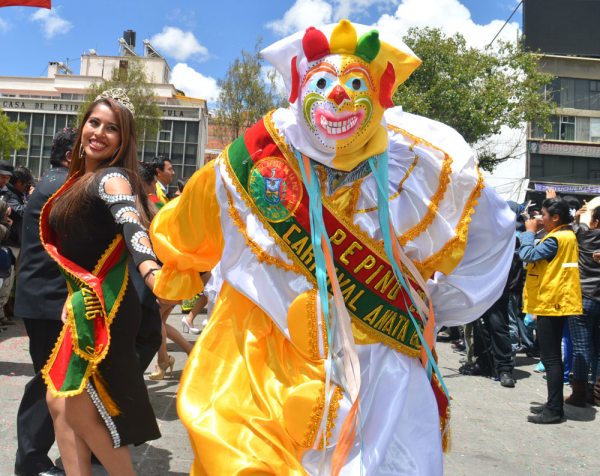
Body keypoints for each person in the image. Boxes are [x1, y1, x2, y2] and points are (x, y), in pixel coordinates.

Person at [150, 20, 514, 474]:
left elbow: (493, 234)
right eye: (322, 82)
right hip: (260, 367)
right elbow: (184, 230)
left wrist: (435, 303)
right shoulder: (249, 163)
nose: (339, 95)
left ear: (380, 91)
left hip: (380, 373)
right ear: (299, 88)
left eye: (356, 83)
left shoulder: (418, 165)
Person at [41, 88, 161, 475]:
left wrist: (151, 270)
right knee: (59, 402)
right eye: (94, 122)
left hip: (108, 306)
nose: (99, 133)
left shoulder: (112, 178)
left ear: (123, 140)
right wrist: (73, 291)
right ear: (82, 127)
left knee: (79, 408)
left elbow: (131, 224)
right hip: (86, 301)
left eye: (112, 128)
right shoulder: (80, 179)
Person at [14, 128, 77, 476]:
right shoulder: (62, 185)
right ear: (70, 156)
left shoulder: (54, 181)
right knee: (48, 380)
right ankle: (31, 460)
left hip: (44, 298)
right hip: (49, 300)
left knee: (51, 379)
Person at [521, 197, 582, 424]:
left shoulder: (557, 238)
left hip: (552, 302)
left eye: (544, 215)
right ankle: (552, 404)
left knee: (551, 358)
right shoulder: (565, 234)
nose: (540, 218)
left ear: (556, 218)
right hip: (556, 300)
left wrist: (529, 233)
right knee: (552, 356)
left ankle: (555, 410)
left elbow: (527, 255)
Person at [569, 203, 600, 406]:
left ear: (595, 222)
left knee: (581, 346)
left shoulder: (585, 235)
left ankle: (579, 393)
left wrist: (576, 218)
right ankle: (597, 393)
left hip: (583, 297)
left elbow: (571, 228)